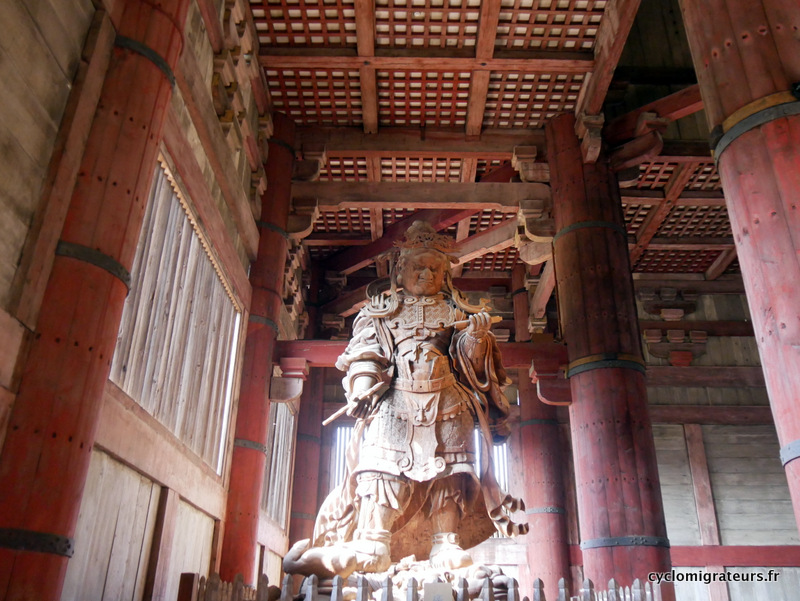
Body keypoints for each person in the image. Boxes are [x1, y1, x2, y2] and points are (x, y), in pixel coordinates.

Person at [284, 222, 527, 578]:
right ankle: (373, 539)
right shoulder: (380, 311)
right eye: (418, 267)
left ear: (445, 275)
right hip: (395, 402)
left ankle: (446, 540)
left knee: (450, 470)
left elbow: (473, 365)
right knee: (381, 466)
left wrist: (477, 338)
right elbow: (366, 353)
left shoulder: (458, 312)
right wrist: (363, 387)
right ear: (400, 271)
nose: (426, 274)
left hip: (448, 402)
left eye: (434, 269)